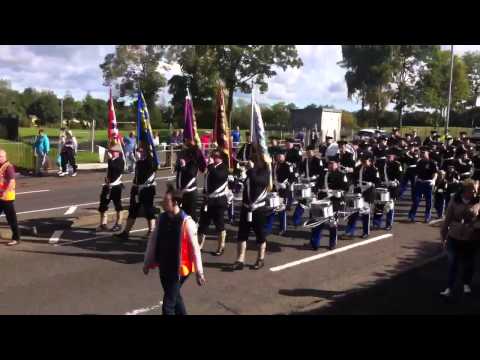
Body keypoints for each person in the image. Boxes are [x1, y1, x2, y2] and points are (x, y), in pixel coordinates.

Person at [143, 185, 205, 315]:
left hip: (180, 269)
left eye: (166, 202)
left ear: (175, 202)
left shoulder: (187, 222)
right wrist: (147, 262)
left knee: (168, 306)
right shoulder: (161, 218)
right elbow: (153, 241)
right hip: (164, 266)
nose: (163, 204)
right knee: (176, 298)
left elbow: (195, 248)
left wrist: (199, 272)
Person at [440, 179, 480, 297]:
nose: (475, 192)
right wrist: (443, 237)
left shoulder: (478, 201)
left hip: (471, 237)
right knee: (453, 263)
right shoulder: (454, 200)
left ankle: (466, 283)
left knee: (469, 263)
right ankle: (449, 287)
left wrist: (475, 225)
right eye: (472, 190)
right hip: (454, 235)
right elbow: (447, 218)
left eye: (476, 190)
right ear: (465, 190)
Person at [231, 152, 271, 270]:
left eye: (254, 160)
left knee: (260, 235)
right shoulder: (248, 172)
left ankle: (260, 259)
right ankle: (240, 260)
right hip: (246, 207)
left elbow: (258, 182)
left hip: (258, 209)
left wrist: (251, 170)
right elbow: (238, 187)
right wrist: (236, 177)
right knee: (242, 235)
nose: (250, 162)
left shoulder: (265, 172)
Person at [115, 141, 157, 240]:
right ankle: (126, 232)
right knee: (132, 210)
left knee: (148, 210)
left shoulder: (151, 161)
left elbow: (153, 168)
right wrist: (138, 160)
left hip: (147, 189)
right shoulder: (140, 161)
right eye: (138, 149)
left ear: (146, 150)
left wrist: (142, 160)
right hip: (137, 188)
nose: (138, 151)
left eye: (141, 149)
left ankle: (151, 231)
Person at [311, 159, 349, 250]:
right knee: (317, 222)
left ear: (337, 164)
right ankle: (315, 243)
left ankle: (332, 243)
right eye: (329, 164)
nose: (331, 165)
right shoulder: (323, 174)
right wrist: (314, 193)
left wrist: (340, 192)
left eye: (333, 164)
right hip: (322, 201)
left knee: (332, 223)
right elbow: (317, 185)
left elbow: (346, 188)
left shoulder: (341, 175)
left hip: (334, 201)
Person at [197, 149, 229, 256]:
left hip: (218, 201)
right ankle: (199, 245)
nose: (213, 158)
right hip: (208, 200)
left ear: (221, 158)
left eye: (216, 156)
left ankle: (221, 247)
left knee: (219, 225)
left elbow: (217, 176)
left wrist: (210, 165)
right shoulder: (211, 168)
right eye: (213, 155)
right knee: (203, 224)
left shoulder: (223, 168)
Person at [344, 155, 380, 239]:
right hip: (358, 192)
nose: (363, 162)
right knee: (353, 212)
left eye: (365, 161)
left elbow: (378, 182)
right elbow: (353, 176)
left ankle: (366, 232)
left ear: (369, 161)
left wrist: (372, 184)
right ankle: (349, 232)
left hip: (368, 193)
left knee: (365, 213)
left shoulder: (374, 170)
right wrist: (352, 183)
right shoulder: (359, 168)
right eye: (362, 160)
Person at [175, 141, 206, 223]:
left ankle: (194, 232)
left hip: (190, 192)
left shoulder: (193, 162)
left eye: (184, 149)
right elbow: (179, 176)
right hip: (181, 193)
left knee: (192, 215)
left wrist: (183, 166)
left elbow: (191, 174)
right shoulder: (181, 161)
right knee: (183, 216)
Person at [97, 143, 125, 232]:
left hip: (116, 186)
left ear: (117, 152)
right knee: (103, 205)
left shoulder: (120, 161)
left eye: (113, 151)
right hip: (108, 185)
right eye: (111, 151)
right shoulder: (112, 160)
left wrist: (110, 160)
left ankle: (119, 223)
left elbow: (116, 169)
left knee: (118, 206)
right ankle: (103, 223)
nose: (111, 153)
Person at [408, 147, 438, 223]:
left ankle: (427, 216)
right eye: (422, 152)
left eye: (424, 152)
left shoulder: (432, 162)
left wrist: (433, 180)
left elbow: (435, 173)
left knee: (428, 201)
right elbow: (416, 173)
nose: (422, 154)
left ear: (427, 153)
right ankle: (412, 215)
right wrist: (415, 181)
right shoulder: (420, 162)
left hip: (428, 183)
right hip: (420, 182)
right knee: (416, 200)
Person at [0, 150, 20, 246]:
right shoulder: (1, 167)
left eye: (1, 156)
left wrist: (5, 193)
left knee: (11, 219)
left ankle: (16, 238)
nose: (0, 158)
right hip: (0, 197)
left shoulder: (9, 167)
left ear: (5, 157)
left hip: (7, 197)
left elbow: (12, 182)